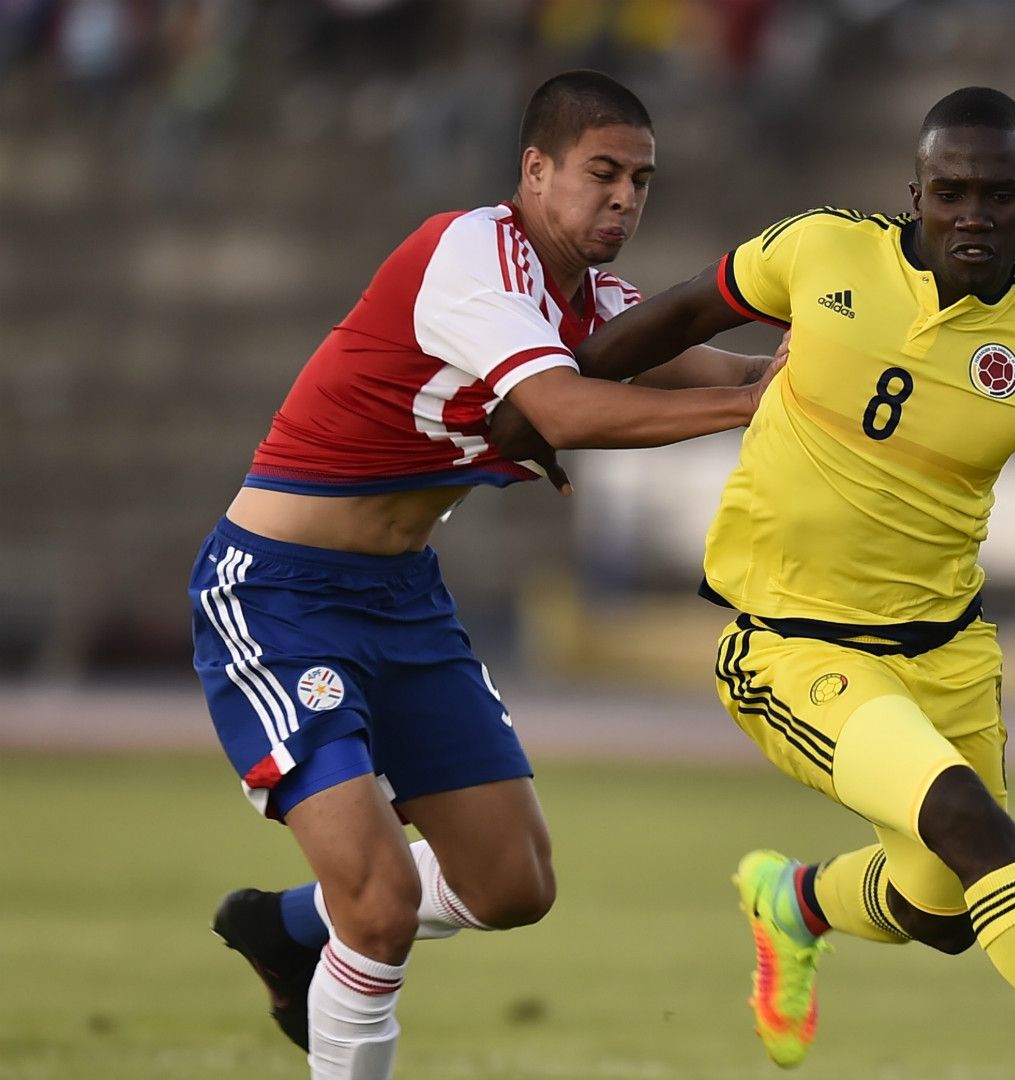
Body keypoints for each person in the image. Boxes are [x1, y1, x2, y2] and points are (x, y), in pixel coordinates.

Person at [497, 85, 1015, 1080]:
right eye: (951, 190)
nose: (974, 215)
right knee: (974, 828)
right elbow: (689, 309)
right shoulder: (820, 250)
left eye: (1000, 194)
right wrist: (550, 401)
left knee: (945, 910)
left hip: (946, 653)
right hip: (794, 645)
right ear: (914, 190)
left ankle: (795, 902)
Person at [194, 69, 779, 1078]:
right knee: (376, 907)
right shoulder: (473, 255)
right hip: (282, 593)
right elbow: (573, 411)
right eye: (603, 173)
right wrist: (750, 410)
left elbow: (717, 368)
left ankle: (292, 930)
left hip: (403, 598)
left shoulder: (587, 296)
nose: (626, 199)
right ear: (536, 169)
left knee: (513, 884)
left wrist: (832, 371)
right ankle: (335, 934)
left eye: (642, 181)